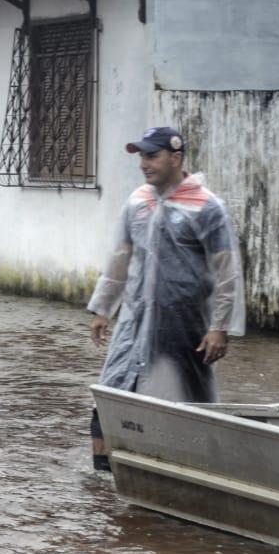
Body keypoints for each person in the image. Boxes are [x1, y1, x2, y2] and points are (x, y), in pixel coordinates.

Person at [87, 126, 245, 471]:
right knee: (110, 393)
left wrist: (220, 327)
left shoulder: (207, 207)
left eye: (152, 155)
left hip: (184, 325)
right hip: (135, 321)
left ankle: (195, 474)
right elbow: (120, 258)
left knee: (187, 403)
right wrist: (103, 309)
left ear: (176, 158)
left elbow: (226, 272)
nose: (144, 163)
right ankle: (102, 479)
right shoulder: (138, 202)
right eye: (141, 156)